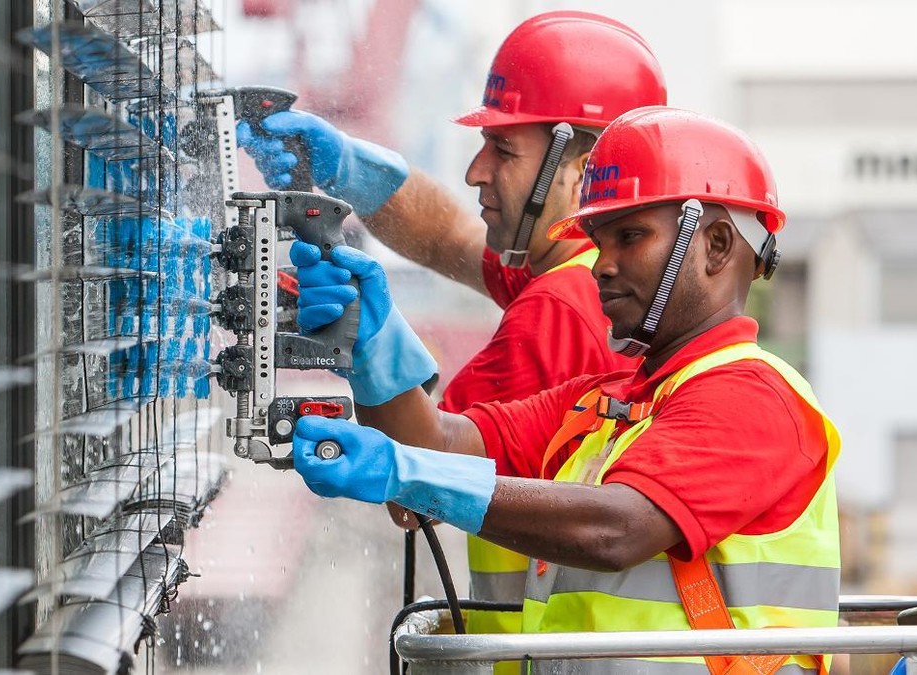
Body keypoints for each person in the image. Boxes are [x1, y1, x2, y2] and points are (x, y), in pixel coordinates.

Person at [287, 107, 840, 675]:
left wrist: (408, 473)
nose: (602, 266)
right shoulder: (604, 405)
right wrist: (374, 348)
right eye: (601, 242)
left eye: (630, 236)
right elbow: (434, 442)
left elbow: (617, 529)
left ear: (718, 245)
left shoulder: (753, 394)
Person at [237, 11, 667, 641]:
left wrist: (370, 343)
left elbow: (418, 482)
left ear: (582, 170)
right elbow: (454, 239)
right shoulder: (589, 277)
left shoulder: (559, 310)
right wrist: (348, 167)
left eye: (505, 149)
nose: (476, 171)